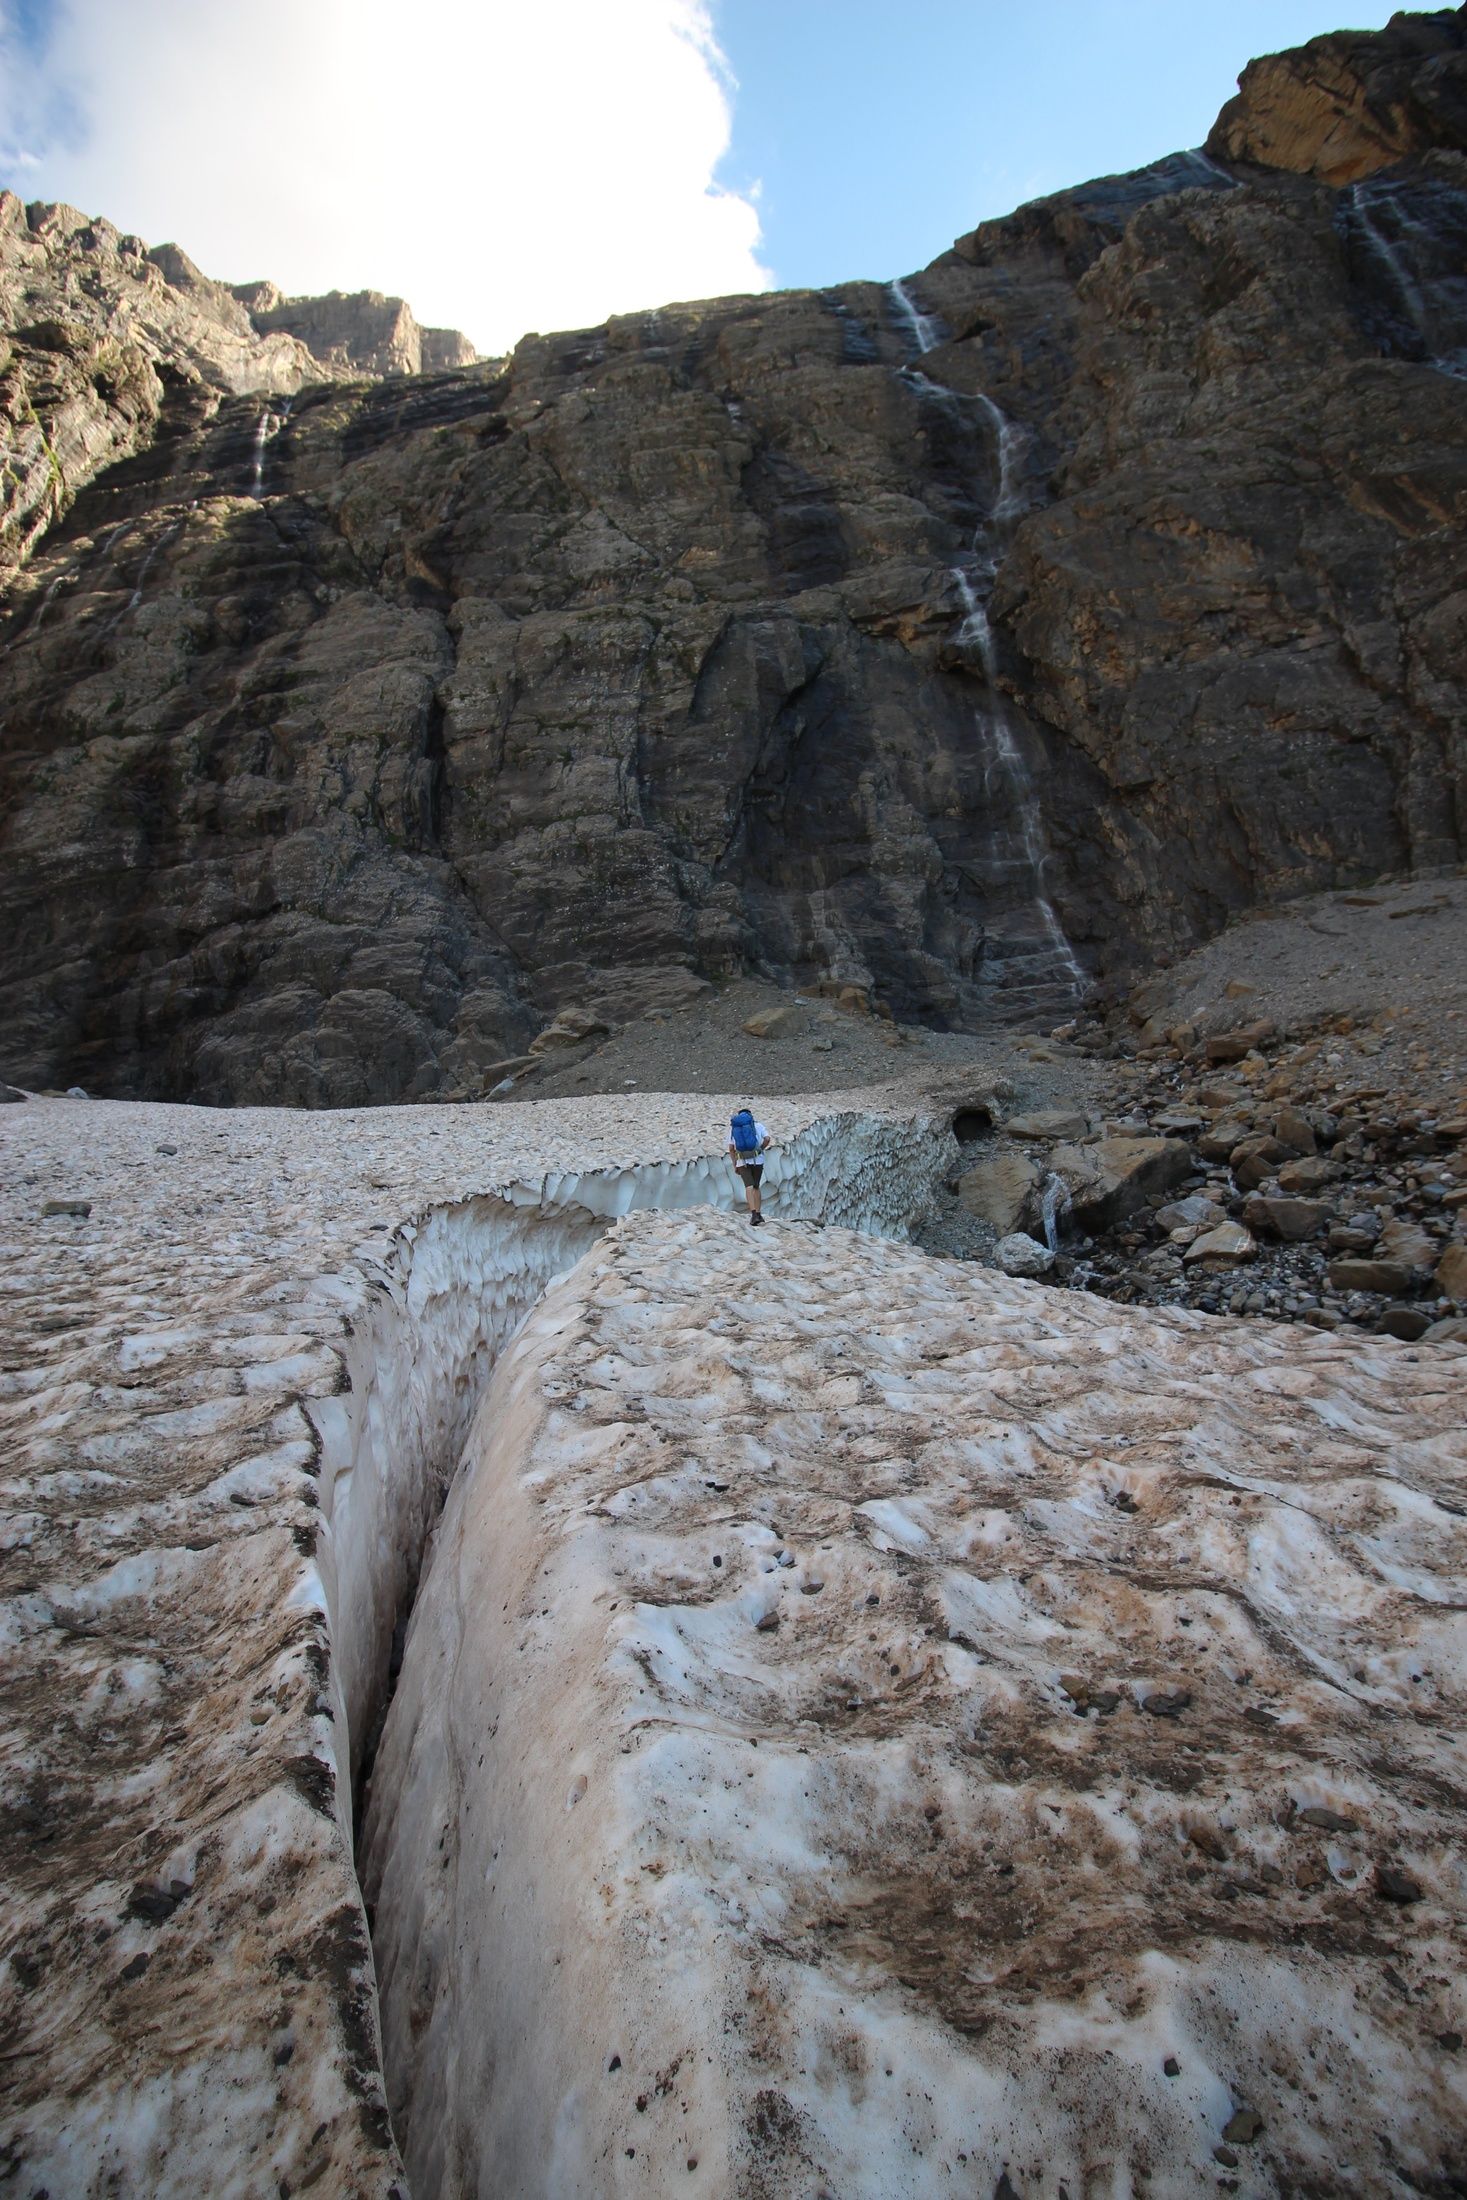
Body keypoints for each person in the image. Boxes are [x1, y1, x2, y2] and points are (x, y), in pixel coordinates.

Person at [727, 1106, 772, 1226]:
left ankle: (753, 1214)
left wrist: (735, 1164)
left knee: (748, 1186)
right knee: (756, 1186)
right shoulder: (758, 1126)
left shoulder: (734, 1129)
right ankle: (758, 1213)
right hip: (758, 1160)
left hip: (742, 1161)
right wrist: (760, 1149)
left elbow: (731, 1148)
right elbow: (767, 1139)